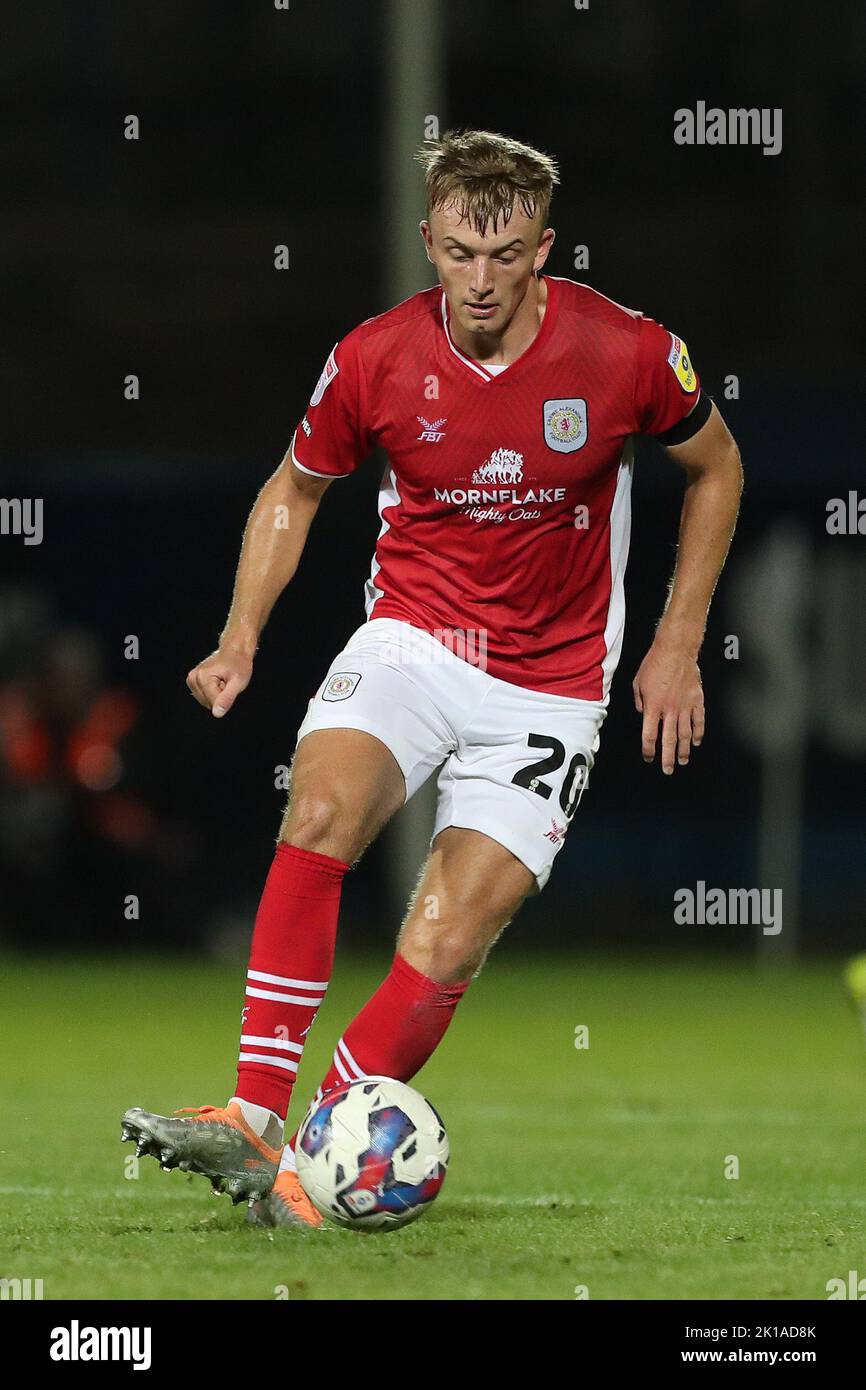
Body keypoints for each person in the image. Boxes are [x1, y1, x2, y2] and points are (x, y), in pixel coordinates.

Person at [123, 130, 743, 1229]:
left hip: (549, 685)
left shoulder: (626, 353)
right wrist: (239, 633)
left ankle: (309, 1165)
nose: (481, 280)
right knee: (318, 806)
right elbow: (295, 487)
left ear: (542, 248)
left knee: (447, 934)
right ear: (428, 242)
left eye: (505, 256)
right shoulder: (373, 359)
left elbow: (715, 464)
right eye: (459, 252)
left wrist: (678, 638)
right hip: (412, 642)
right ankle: (253, 1113)